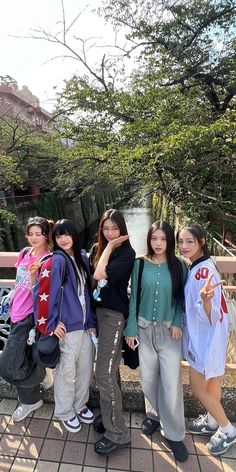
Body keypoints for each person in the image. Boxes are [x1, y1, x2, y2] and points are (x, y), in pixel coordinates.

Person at [125, 220, 188, 462]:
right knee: (148, 380)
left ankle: (174, 434)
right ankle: (154, 415)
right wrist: (131, 328)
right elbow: (133, 300)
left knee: (171, 384)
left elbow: (181, 299)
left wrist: (177, 322)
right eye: (154, 239)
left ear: (169, 240)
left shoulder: (179, 266)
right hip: (143, 329)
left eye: (163, 239)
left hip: (169, 332)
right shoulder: (139, 264)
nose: (158, 243)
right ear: (149, 240)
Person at [177, 222, 236, 456]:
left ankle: (227, 429)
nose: (183, 246)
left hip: (205, 338)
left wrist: (206, 301)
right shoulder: (203, 264)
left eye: (189, 241)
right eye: (180, 242)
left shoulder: (202, 271)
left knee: (198, 386)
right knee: (213, 382)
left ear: (201, 241)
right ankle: (212, 420)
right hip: (213, 336)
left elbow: (209, 314)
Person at [33, 219, 96, 433]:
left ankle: (79, 405)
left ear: (74, 235)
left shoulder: (81, 258)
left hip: (85, 326)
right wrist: (50, 325)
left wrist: (90, 321)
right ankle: (64, 411)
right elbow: (44, 294)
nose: (63, 239)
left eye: (67, 234)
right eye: (58, 236)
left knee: (86, 368)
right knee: (66, 372)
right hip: (67, 328)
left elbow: (86, 294)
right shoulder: (56, 261)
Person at [90, 208, 135, 456]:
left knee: (104, 373)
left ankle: (118, 433)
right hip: (99, 315)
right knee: (110, 370)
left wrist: (109, 247)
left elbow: (98, 274)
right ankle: (110, 418)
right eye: (105, 228)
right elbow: (91, 282)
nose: (109, 233)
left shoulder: (126, 253)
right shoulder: (98, 249)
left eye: (114, 228)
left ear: (122, 230)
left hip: (114, 318)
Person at [0, 216, 54, 421]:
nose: (33, 238)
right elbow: (18, 281)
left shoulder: (49, 260)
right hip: (15, 314)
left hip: (30, 318)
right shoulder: (25, 253)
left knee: (8, 367)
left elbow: (47, 293)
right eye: (30, 234)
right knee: (22, 359)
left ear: (46, 236)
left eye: (38, 234)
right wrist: (12, 296)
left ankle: (40, 373)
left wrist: (34, 279)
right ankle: (31, 399)